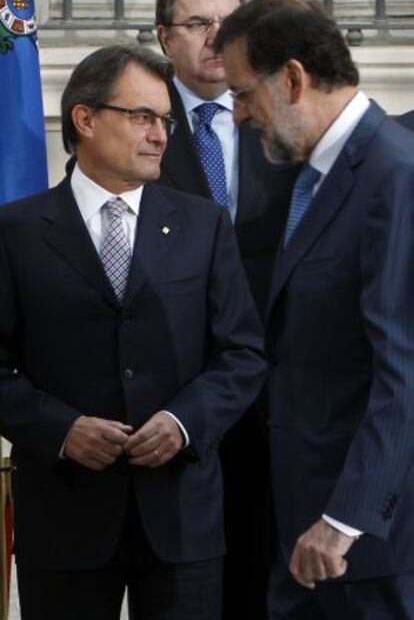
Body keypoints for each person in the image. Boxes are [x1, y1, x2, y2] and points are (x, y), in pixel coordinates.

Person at [0, 44, 267, 620]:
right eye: (142, 116)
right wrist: (62, 429)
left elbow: (243, 352)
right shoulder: (15, 231)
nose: (161, 134)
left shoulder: (204, 224)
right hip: (64, 519)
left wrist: (183, 422)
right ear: (86, 119)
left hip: (182, 520)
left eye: (164, 119)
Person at [216, 0, 414, 620]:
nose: (239, 116)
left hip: (363, 550)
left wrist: (343, 519)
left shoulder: (394, 175)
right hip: (304, 535)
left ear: (294, 78)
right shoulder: (311, 176)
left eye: (244, 93)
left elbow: (404, 372)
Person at [155, 0, 296, 616]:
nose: (216, 37)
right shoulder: (138, 120)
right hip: (178, 405)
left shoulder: (286, 120)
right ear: (165, 36)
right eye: (197, 22)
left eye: (227, 21)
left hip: (282, 406)